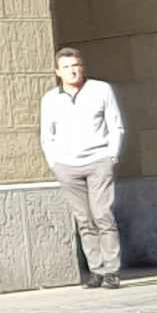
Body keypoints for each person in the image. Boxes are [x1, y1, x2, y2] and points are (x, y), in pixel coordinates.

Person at [40, 48, 126, 289]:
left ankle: (111, 270)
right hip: (67, 166)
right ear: (58, 72)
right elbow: (47, 135)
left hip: (99, 160)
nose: (73, 70)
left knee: (102, 215)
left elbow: (115, 125)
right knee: (84, 219)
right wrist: (54, 163)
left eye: (76, 65)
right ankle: (96, 270)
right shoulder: (50, 99)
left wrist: (112, 156)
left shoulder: (101, 90)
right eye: (67, 67)